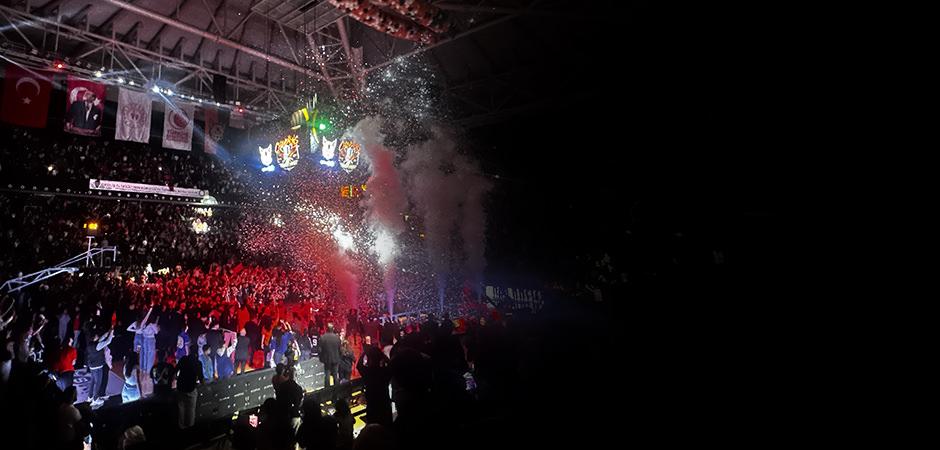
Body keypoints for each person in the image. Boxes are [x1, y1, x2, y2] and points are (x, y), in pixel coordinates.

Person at [356, 345, 392, 425]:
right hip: (384, 404)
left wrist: (365, 352)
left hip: (372, 405)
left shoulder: (368, 372)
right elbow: (391, 365)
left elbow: (359, 365)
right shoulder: (384, 372)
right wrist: (382, 355)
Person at [176, 344, 203, 429]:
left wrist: (176, 378)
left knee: (181, 410)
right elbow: (201, 378)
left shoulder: (184, 359)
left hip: (181, 388)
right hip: (191, 389)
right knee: (191, 410)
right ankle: (190, 430)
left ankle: (181, 429)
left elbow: (175, 370)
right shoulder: (198, 363)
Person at [86, 326, 114, 406]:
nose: (98, 336)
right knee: (98, 382)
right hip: (97, 367)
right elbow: (108, 341)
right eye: (96, 335)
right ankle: (95, 398)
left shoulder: (90, 344)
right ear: (94, 338)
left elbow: (102, 338)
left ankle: (90, 397)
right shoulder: (97, 346)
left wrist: (108, 331)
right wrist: (111, 333)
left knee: (92, 381)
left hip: (91, 366)